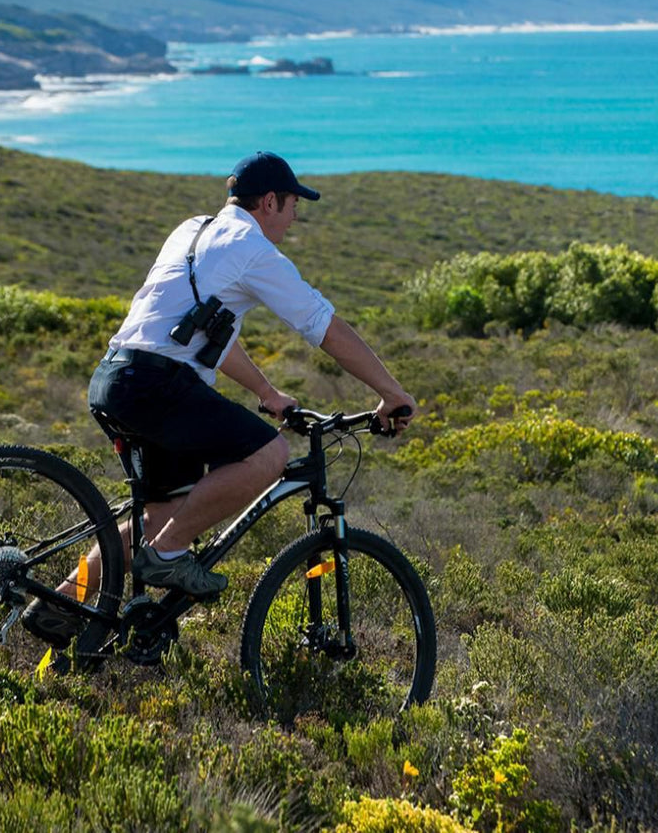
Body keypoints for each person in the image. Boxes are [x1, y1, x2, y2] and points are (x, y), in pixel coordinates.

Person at [22, 151, 415, 645]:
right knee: (270, 452)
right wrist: (391, 392)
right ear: (270, 201)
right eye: (294, 204)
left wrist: (266, 391)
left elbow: (204, 335)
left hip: (117, 377)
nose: (296, 216)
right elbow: (325, 327)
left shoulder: (193, 229)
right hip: (156, 386)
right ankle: (167, 555)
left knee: (162, 515)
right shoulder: (253, 249)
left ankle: (61, 601)